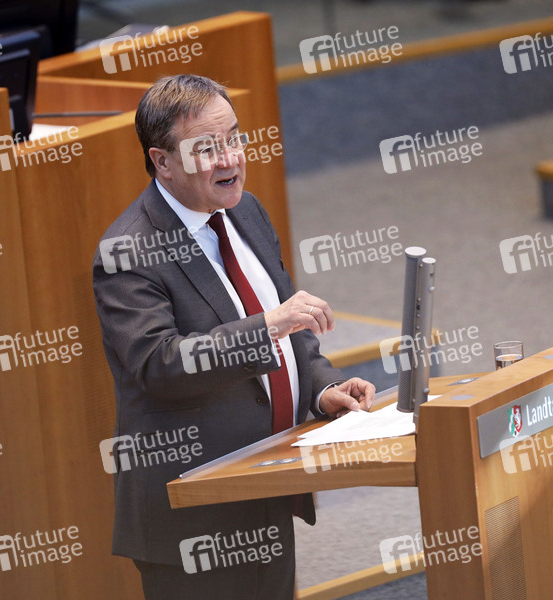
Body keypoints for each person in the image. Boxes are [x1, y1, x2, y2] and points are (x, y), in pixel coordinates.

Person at [92, 73, 375, 600]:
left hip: (265, 483)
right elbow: (160, 365)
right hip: (192, 514)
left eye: (234, 138)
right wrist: (268, 326)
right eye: (206, 148)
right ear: (162, 162)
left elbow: (292, 329)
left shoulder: (245, 210)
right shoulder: (127, 252)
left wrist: (322, 388)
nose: (230, 159)